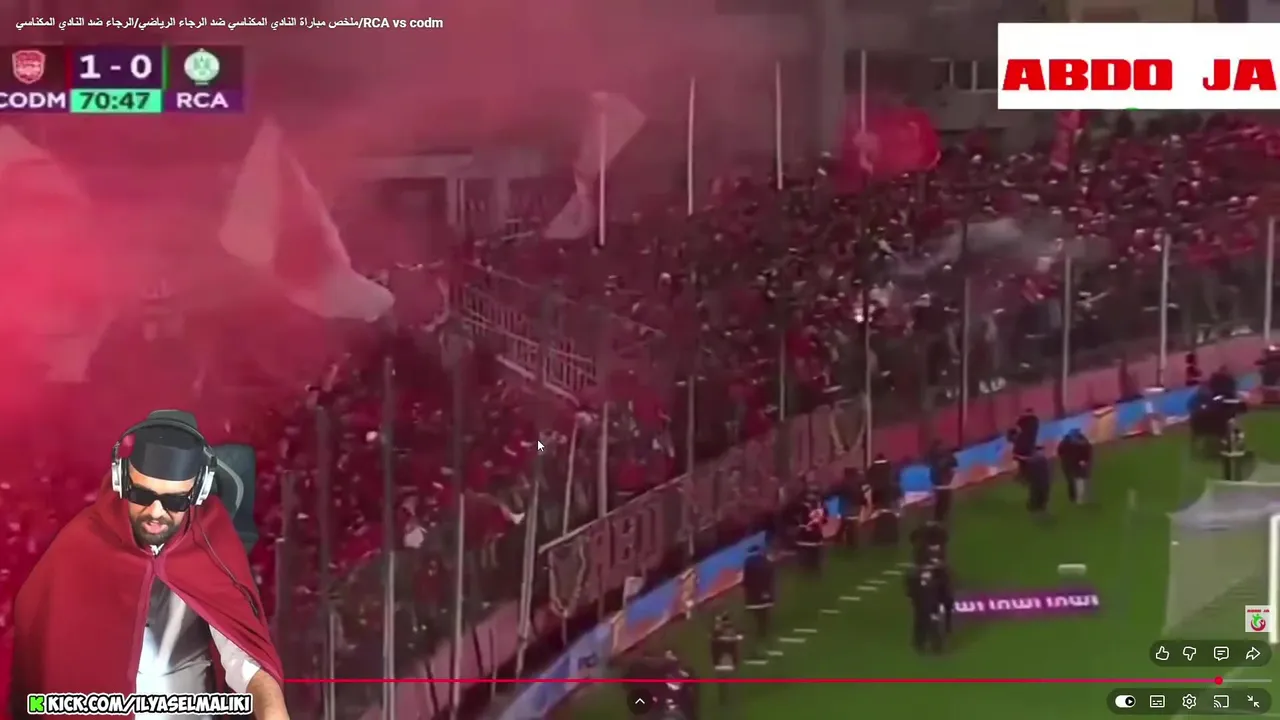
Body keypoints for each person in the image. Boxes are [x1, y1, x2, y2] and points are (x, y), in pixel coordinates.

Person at [8, 411, 289, 720]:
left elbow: (244, 655)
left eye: (175, 501)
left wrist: (272, 710)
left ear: (196, 493)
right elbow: (39, 638)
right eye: (142, 495)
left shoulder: (213, 538)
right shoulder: (81, 542)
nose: (156, 512)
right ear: (123, 481)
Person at [905, 564, 949, 653]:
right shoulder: (917, 584)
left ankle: (936, 647)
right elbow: (912, 594)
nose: (926, 575)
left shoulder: (935, 584)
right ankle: (919, 645)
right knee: (920, 626)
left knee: (934, 627)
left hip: (933, 608)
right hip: (921, 608)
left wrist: (940, 607)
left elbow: (941, 595)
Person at [741, 545, 775, 639]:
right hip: (765, 591)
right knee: (764, 611)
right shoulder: (766, 561)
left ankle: (761, 629)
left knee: (758, 611)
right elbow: (770, 575)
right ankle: (763, 628)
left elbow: (746, 579)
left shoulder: (749, 562)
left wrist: (746, 585)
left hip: (754, 592)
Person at [868, 454, 902, 546]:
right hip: (891, 494)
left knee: (880, 515)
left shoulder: (873, 468)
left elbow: (869, 479)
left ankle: (879, 536)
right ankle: (892, 537)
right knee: (891, 515)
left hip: (879, 494)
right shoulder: (890, 468)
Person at [709, 613, 742, 707]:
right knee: (724, 680)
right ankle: (724, 697)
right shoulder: (725, 633)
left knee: (722, 680)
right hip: (725, 661)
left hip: (721, 662)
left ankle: (723, 697)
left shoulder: (718, 635)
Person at [1057, 429, 1093, 505]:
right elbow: (1060, 452)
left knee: (1080, 480)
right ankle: (1074, 497)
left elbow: (1087, 450)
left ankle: (1080, 497)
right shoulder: (1065, 443)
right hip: (1068, 464)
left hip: (1077, 463)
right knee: (1072, 481)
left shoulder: (1082, 441)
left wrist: (1084, 460)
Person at [837, 468, 869, 550]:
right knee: (852, 522)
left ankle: (840, 538)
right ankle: (851, 542)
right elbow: (860, 494)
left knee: (845, 521)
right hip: (855, 506)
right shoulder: (857, 483)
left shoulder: (842, 483)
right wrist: (864, 502)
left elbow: (834, 491)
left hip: (845, 506)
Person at [927, 441, 958, 523]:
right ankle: (939, 519)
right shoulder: (934, 457)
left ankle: (941, 519)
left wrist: (951, 475)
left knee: (944, 502)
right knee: (941, 502)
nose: (941, 448)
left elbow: (954, 465)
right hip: (940, 483)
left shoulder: (947, 456)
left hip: (944, 483)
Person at [1025, 446, 1052, 518]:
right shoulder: (1042, 460)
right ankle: (1041, 512)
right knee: (1042, 497)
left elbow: (1028, 473)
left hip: (1035, 482)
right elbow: (1046, 471)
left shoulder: (1031, 460)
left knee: (1035, 496)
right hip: (1042, 481)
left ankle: (1035, 511)